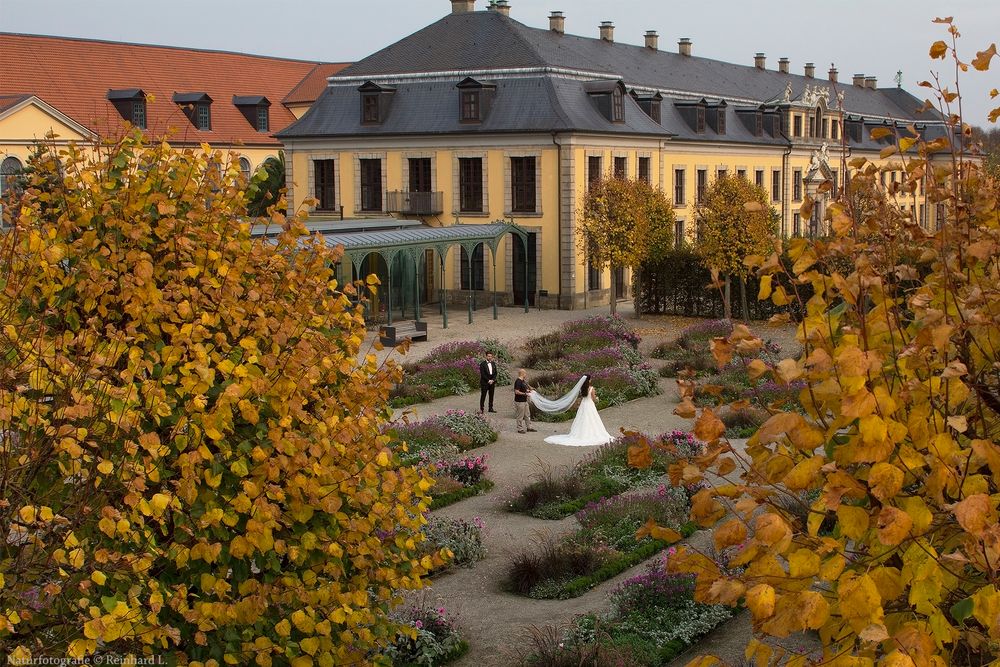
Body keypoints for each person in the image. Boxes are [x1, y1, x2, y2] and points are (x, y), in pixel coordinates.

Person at [543, 375, 613, 447]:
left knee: (582, 418)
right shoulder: (591, 388)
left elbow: (583, 396)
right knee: (591, 418)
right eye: (590, 379)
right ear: (588, 380)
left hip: (583, 405)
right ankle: (590, 433)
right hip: (590, 405)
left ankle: (581, 433)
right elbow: (593, 398)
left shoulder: (582, 389)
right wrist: (597, 399)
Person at [513, 369, 537, 434]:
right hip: (519, 402)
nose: (526, 375)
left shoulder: (523, 381)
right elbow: (516, 391)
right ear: (522, 374)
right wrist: (525, 394)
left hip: (524, 401)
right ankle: (520, 428)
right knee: (520, 415)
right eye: (525, 373)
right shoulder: (518, 381)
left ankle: (529, 427)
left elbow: (525, 388)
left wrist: (530, 390)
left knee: (527, 414)